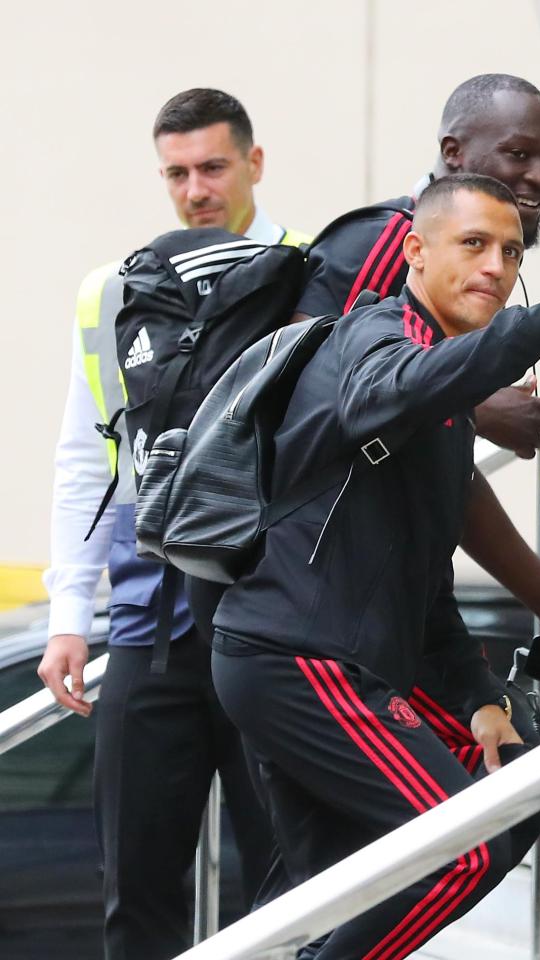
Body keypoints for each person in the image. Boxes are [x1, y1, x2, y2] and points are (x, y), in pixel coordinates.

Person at [212, 174, 540, 959]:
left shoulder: (440, 403)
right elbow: (403, 384)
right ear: (413, 250)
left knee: (522, 787)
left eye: (511, 252)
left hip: (347, 666)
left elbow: (423, 580)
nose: (495, 266)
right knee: (462, 846)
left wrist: (479, 699)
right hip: (296, 661)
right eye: (473, 244)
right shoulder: (371, 341)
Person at [37, 88, 309, 960]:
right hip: (152, 623)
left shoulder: (312, 275)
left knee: (292, 884)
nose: (197, 189)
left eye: (214, 168)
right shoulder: (115, 291)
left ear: (254, 164)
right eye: (178, 173)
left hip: (276, 623)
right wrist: (69, 617)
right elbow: (90, 462)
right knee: (136, 886)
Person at [292, 73, 540, 734]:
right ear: (454, 154)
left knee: (508, 774)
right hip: (310, 619)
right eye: (520, 154)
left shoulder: (461, 268)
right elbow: (373, 424)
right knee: (497, 785)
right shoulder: (392, 248)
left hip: (378, 605)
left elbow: (425, 456)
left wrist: (468, 409)